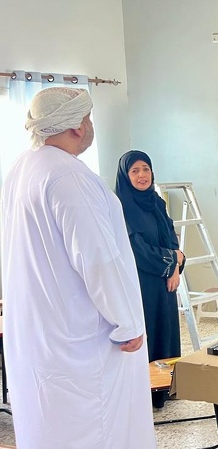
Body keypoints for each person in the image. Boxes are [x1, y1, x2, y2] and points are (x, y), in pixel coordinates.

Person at [0, 88, 156, 447]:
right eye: (88, 118)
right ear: (78, 127)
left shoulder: (22, 168)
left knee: (48, 426)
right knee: (95, 430)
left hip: (39, 334)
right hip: (82, 340)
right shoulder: (69, 176)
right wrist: (127, 322)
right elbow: (97, 258)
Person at [115, 150, 184, 408]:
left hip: (165, 280)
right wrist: (172, 260)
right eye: (135, 171)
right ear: (126, 175)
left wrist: (174, 267)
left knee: (167, 330)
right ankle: (146, 391)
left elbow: (171, 236)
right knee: (150, 331)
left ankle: (167, 387)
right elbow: (137, 249)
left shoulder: (156, 201)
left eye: (146, 169)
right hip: (141, 281)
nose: (142, 175)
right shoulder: (121, 207)